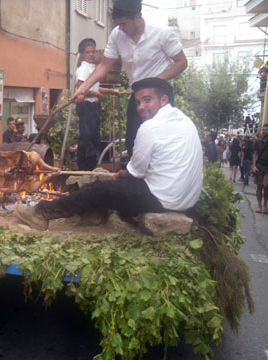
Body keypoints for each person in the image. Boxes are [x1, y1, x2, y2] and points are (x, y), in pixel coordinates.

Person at [15, 78, 202, 230]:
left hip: (163, 199)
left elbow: (135, 172)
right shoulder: (185, 121)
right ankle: (94, 215)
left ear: (163, 100)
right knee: (113, 188)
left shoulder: (150, 127)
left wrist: (123, 175)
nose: (141, 107)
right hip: (187, 200)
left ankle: (40, 214)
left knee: (99, 189)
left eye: (147, 100)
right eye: (138, 102)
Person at [72, 0, 187, 158]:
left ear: (137, 17)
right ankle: (136, 180)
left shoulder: (161, 33)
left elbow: (182, 62)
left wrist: (156, 80)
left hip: (161, 96)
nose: (121, 28)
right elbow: (105, 64)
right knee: (133, 142)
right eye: (118, 24)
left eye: (124, 23)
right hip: (137, 95)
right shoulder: (117, 35)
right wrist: (83, 88)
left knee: (161, 143)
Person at [75, 38, 123, 170]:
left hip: (92, 106)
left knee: (94, 137)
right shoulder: (84, 69)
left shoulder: (93, 68)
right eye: (88, 52)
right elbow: (81, 89)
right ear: (82, 54)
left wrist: (112, 91)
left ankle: (90, 165)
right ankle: (86, 168)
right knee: (88, 138)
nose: (91, 54)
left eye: (93, 52)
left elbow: (96, 88)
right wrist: (96, 95)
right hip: (86, 106)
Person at [252, 124, 268, 214]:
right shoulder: (258, 142)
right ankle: (259, 205)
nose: (264, 131)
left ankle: (265, 205)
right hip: (259, 166)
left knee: (266, 186)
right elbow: (254, 153)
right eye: (263, 129)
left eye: (266, 130)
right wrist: (254, 165)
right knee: (259, 186)